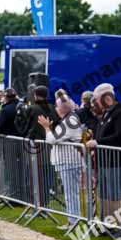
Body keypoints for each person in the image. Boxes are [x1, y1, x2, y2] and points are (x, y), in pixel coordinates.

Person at [86, 83, 121, 231]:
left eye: (98, 99)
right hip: (105, 161)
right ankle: (108, 225)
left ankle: (119, 226)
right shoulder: (106, 114)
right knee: (104, 194)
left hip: (116, 161)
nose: (96, 103)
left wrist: (98, 142)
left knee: (114, 194)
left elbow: (120, 135)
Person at [39, 94, 84, 228]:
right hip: (68, 161)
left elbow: (52, 139)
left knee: (71, 193)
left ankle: (74, 221)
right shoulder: (69, 119)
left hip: (69, 161)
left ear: (63, 108)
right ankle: (73, 220)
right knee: (71, 193)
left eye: (57, 106)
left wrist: (47, 127)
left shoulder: (70, 121)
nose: (56, 109)